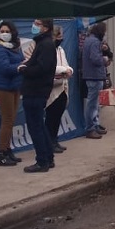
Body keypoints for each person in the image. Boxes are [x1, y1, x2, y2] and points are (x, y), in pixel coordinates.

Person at [18, 19, 57, 173]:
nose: (34, 26)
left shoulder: (46, 44)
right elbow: (39, 64)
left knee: (35, 127)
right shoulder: (42, 43)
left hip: (36, 91)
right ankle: (48, 157)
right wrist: (27, 64)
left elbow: (42, 68)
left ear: (45, 27)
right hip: (36, 90)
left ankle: (42, 161)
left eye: (38, 23)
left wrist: (24, 70)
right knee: (39, 125)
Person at [0, 20, 24, 166]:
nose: (5, 34)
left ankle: (8, 150)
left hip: (14, 86)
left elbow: (18, 61)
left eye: (7, 31)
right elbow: (4, 68)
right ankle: (1, 154)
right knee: (7, 119)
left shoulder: (15, 46)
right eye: (2, 31)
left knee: (12, 119)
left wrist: (21, 64)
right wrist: (20, 66)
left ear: (13, 33)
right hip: (2, 87)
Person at [46, 25, 73, 155]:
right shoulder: (48, 49)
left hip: (63, 86)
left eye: (62, 36)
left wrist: (69, 70)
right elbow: (50, 67)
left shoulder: (61, 49)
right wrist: (63, 70)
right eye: (59, 36)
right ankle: (49, 142)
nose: (61, 38)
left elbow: (66, 64)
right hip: (52, 88)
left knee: (58, 116)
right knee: (51, 116)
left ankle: (55, 140)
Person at [82, 22, 110, 139]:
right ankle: (90, 128)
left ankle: (95, 124)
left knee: (95, 103)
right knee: (92, 104)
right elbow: (95, 59)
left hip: (93, 75)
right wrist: (104, 59)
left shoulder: (90, 40)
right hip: (94, 76)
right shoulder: (94, 42)